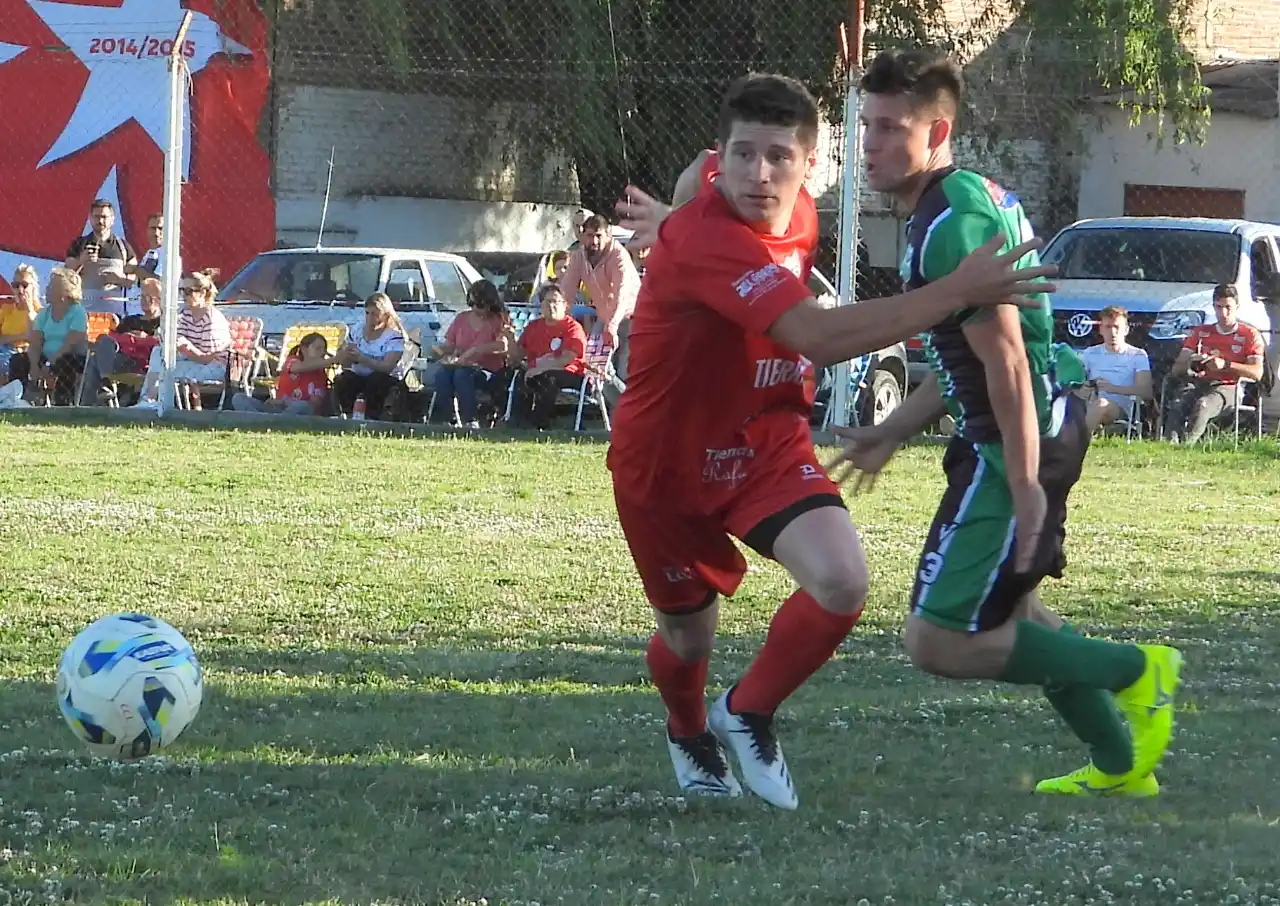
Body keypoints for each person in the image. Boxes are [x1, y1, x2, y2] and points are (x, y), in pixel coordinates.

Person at [606, 72, 1058, 810]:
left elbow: (697, 168)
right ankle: (688, 730)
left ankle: (746, 712)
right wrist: (958, 289)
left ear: (810, 165)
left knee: (844, 581)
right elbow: (815, 338)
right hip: (667, 463)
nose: (759, 174)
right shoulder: (709, 242)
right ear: (728, 154)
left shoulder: (768, 201)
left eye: (779, 157)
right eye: (743, 156)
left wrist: (676, 204)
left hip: (767, 441)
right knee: (689, 641)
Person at [826, 48, 1182, 798]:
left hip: (1020, 440)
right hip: (1020, 431)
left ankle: (1137, 670)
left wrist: (1024, 485)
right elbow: (966, 357)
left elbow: (1010, 365)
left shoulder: (952, 224)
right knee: (1018, 609)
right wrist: (895, 428)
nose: (874, 145)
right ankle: (1122, 767)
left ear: (938, 130)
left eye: (892, 129)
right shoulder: (954, 202)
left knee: (938, 641)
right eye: (868, 128)